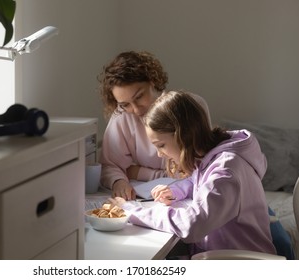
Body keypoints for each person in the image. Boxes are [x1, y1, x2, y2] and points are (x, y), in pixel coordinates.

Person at [110, 90, 276, 255]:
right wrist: (175, 190)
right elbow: (199, 181)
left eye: (161, 145)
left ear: (184, 136)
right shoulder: (212, 157)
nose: (160, 154)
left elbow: (191, 225)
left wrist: (130, 210)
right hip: (220, 255)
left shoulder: (226, 172)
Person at [98, 51, 211, 200]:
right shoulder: (122, 117)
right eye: (125, 104)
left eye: (139, 97)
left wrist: (138, 172)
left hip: (189, 193)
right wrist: (118, 181)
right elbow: (109, 165)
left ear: (153, 81)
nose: (136, 110)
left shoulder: (191, 107)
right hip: (146, 195)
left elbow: (201, 168)